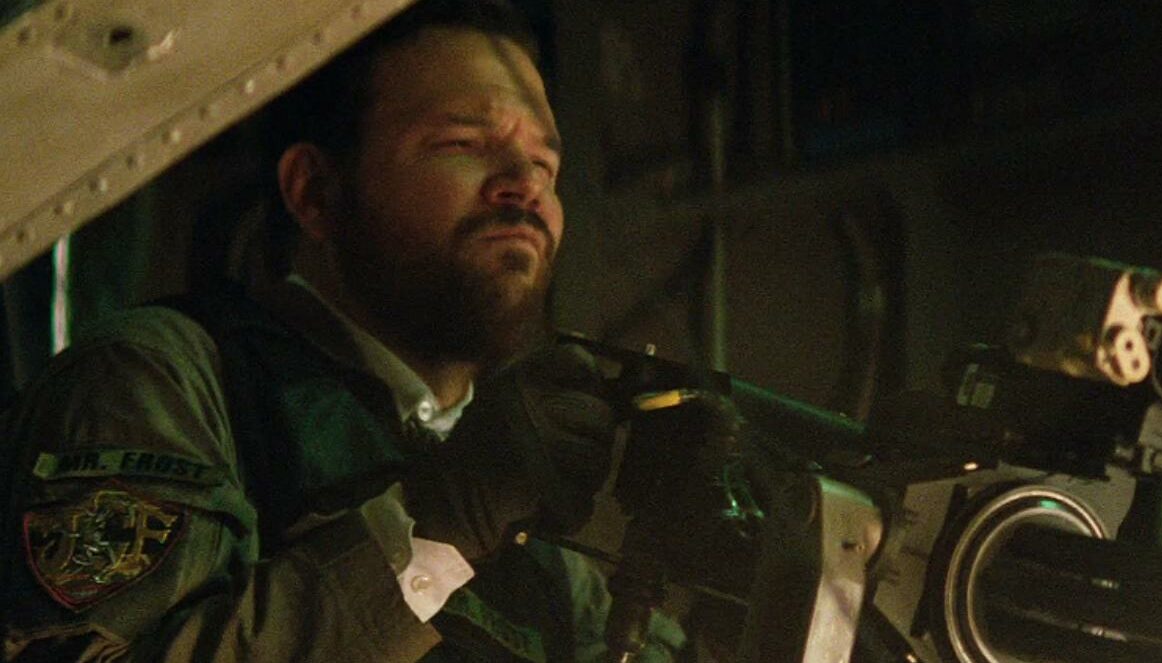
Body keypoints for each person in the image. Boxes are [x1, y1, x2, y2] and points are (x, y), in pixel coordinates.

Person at [0, 1, 684, 660]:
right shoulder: (163, 383)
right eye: (463, 144)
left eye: (545, 165)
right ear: (315, 191)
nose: (523, 185)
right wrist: (434, 532)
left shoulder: (534, 527)